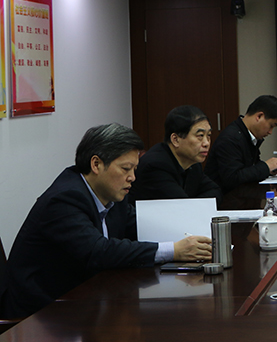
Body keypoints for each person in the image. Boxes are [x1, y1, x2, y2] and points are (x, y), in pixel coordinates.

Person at [0, 123, 212, 319]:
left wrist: (195, 238)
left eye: (134, 169)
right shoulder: (64, 199)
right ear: (96, 164)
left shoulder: (112, 193)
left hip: (84, 299)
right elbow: (99, 251)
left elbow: (141, 226)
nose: (132, 177)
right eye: (125, 169)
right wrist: (174, 250)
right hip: (40, 313)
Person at [128, 105, 221, 205]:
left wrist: (193, 204)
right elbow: (180, 206)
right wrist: (197, 204)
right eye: (200, 136)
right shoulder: (155, 166)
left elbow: (215, 192)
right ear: (175, 140)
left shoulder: (193, 164)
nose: (206, 143)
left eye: (209, 135)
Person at [205, 95, 277, 194]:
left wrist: (269, 170)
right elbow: (232, 178)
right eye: (271, 126)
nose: (270, 132)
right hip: (224, 198)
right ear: (259, 116)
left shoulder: (247, 135)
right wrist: (265, 167)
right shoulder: (230, 138)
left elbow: (249, 168)